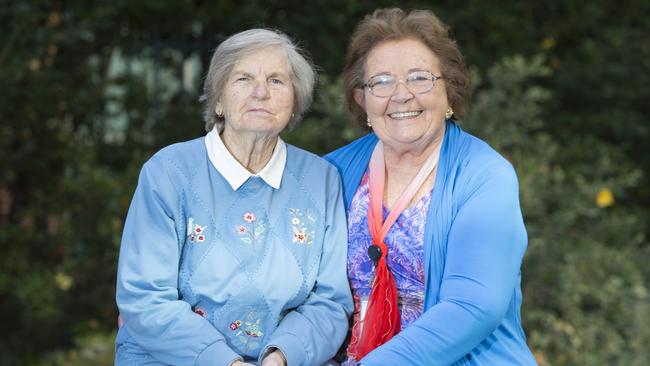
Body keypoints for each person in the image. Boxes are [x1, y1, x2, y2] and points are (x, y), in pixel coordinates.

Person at [114, 28, 352, 366]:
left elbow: (330, 300)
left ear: (295, 101)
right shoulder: (167, 173)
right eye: (243, 79)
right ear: (219, 100)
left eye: (276, 81)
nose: (260, 93)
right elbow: (145, 297)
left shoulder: (321, 179)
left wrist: (281, 357)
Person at [325, 8, 538, 365]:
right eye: (381, 81)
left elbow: (472, 306)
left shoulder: (484, 176)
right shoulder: (332, 170)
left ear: (450, 93)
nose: (401, 94)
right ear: (361, 98)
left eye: (419, 78)